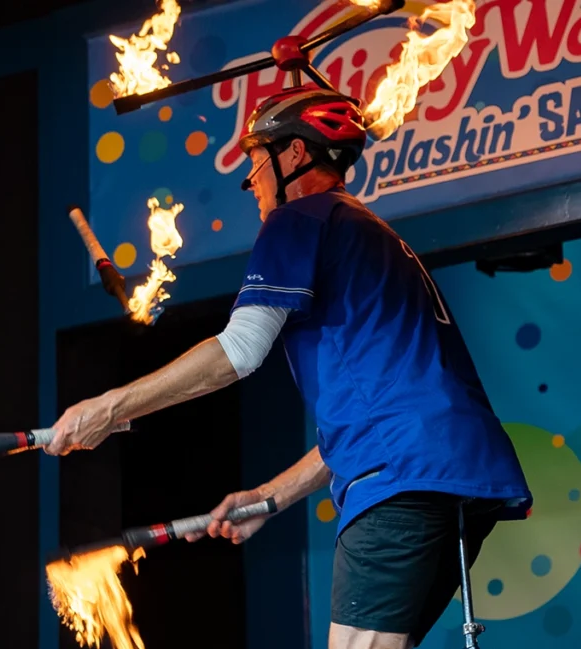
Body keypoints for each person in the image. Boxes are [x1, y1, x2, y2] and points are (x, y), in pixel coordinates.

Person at [46, 87, 533, 649]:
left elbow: (240, 351)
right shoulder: (369, 235)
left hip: (398, 478)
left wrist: (110, 407)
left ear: (295, 155)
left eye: (255, 163)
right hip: (452, 476)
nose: (250, 183)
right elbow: (377, 418)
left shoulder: (299, 219)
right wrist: (269, 497)